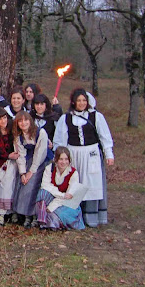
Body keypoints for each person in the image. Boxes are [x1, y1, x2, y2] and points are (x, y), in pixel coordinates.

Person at [53, 88, 114, 227]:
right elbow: (60, 140)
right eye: (79, 100)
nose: (81, 103)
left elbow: (105, 136)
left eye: (84, 100)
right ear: (73, 102)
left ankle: (91, 217)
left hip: (91, 153)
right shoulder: (66, 118)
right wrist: (61, 158)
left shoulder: (96, 116)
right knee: (75, 183)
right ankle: (75, 217)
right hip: (74, 154)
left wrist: (109, 154)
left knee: (91, 182)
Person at [12, 111, 50, 228]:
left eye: (26, 120)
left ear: (30, 121)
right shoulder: (18, 136)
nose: (23, 123)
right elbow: (20, 155)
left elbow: (40, 153)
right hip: (27, 162)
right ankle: (25, 215)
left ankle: (34, 215)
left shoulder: (40, 133)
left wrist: (31, 172)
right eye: (20, 121)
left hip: (41, 162)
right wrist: (23, 172)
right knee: (22, 183)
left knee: (33, 184)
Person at [35, 147, 86, 230]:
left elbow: (69, 196)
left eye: (66, 159)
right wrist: (61, 194)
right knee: (42, 193)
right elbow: (45, 185)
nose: (64, 162)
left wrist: (52, 207)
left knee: (61, 214)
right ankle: (42, 219)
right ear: (56, 160)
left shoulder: (73, 173)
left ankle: (52, 223)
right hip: (55, 196)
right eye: (61, 159)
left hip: (66, 202)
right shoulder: (50, 168)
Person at [0, 107, 19, 226]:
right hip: (1, 163)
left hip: (14, 162)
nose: (3, 121)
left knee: (13, 186)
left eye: (5, 118)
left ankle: (13, 211)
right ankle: (1, 213)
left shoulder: (13, 131)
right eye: (0, 119)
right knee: (4, 187)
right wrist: (7, 156)